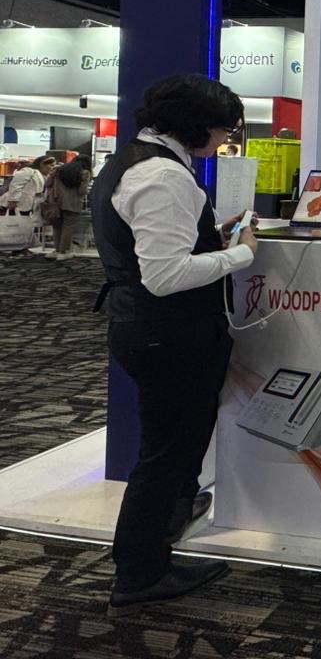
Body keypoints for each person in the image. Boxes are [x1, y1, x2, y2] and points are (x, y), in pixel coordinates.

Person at [90, 74, 258, 616]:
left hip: (150, 327)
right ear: (197, 125)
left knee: (174, 447)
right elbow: (165, 277)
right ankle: (141, 572)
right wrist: (240, 254)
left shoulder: (133, 163)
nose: (225, 140)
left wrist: (211, 236)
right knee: (165, 454)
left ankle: (164, 531)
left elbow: (158, 250)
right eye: (224, 130)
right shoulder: (162, 176)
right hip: (169, 331)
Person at [47, 154, 92, 259]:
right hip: (72, 203)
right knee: (68, 227)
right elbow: (81, 191)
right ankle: (64, 252)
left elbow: (48, 184)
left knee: (57, 227)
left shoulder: (59, 170)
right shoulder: (85, 173)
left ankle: (57, 250)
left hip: (55, 202)